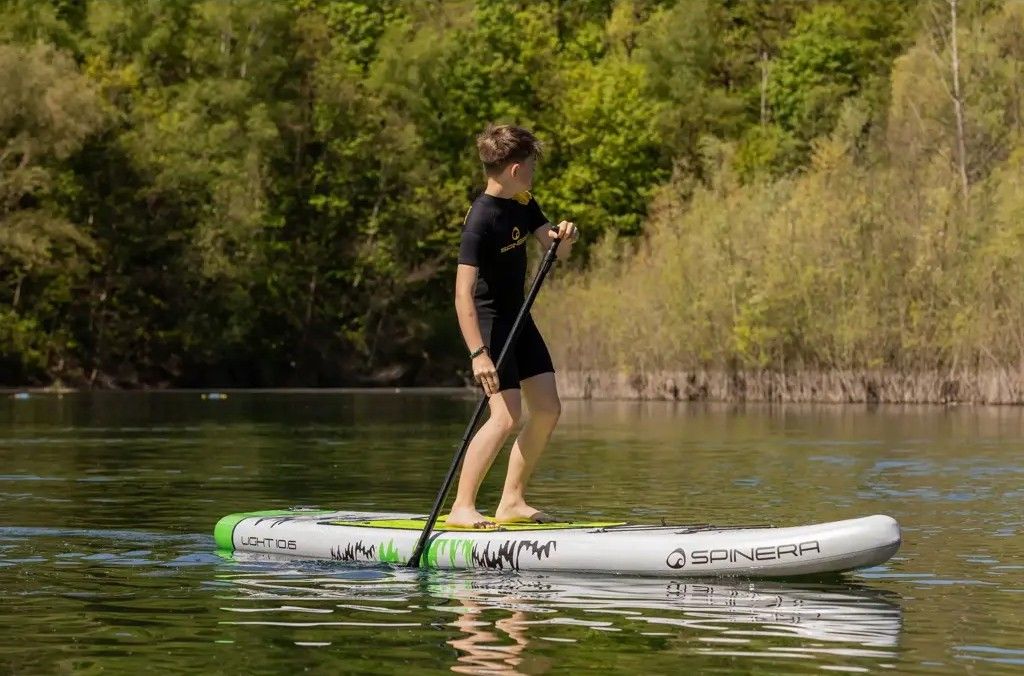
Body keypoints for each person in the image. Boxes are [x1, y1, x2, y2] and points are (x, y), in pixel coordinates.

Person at [448, 124, 578, 529]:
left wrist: (565, 235)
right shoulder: (480, 218)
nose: (535, 172)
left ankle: (511, 501)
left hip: (520, 317)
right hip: (490, 323)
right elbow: (463, 294)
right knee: (505, 417)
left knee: (548, 409)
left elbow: (556, 248)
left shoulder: (524, 202)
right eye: (533, 165)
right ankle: (461, 507)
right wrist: (478, 354)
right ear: (516, 169)